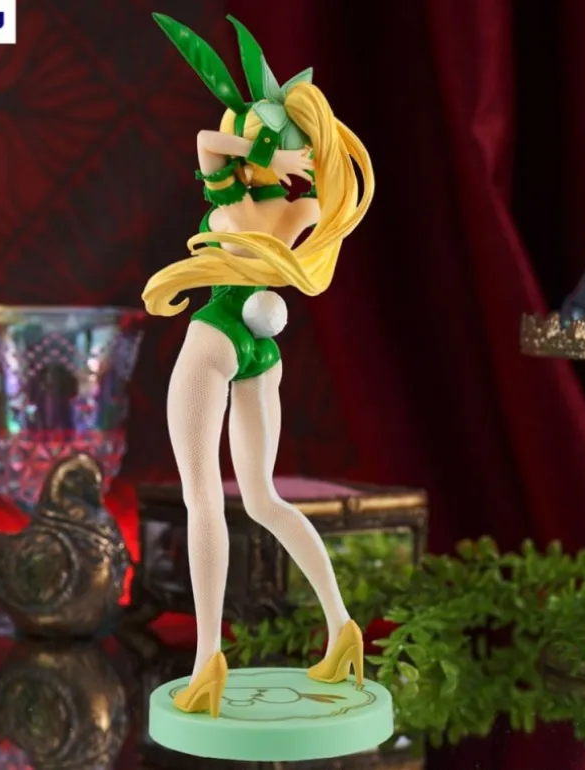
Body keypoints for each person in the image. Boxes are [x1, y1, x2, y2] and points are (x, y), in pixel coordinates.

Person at [142, 13, 375, 718]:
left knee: (205, 500)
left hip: (218, 337)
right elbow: (230, 149)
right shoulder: (299, 213)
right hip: (262, 350)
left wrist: (264, 149)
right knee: (264, 499)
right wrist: (292, 160)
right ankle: (342, 627)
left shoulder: (235, 199)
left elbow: (208, 142)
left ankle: (208, 659)